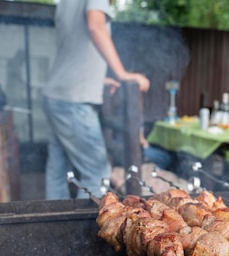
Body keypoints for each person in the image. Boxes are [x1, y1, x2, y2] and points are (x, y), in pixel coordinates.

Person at [42, 0, 150, 199]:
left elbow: (74, 48)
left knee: (57, 172)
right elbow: (95, 26)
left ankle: (55, 224)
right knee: (97, 173)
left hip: (56, 94)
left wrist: (97, 79)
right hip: (74, 100)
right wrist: (122, 74)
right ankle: (84, 230)